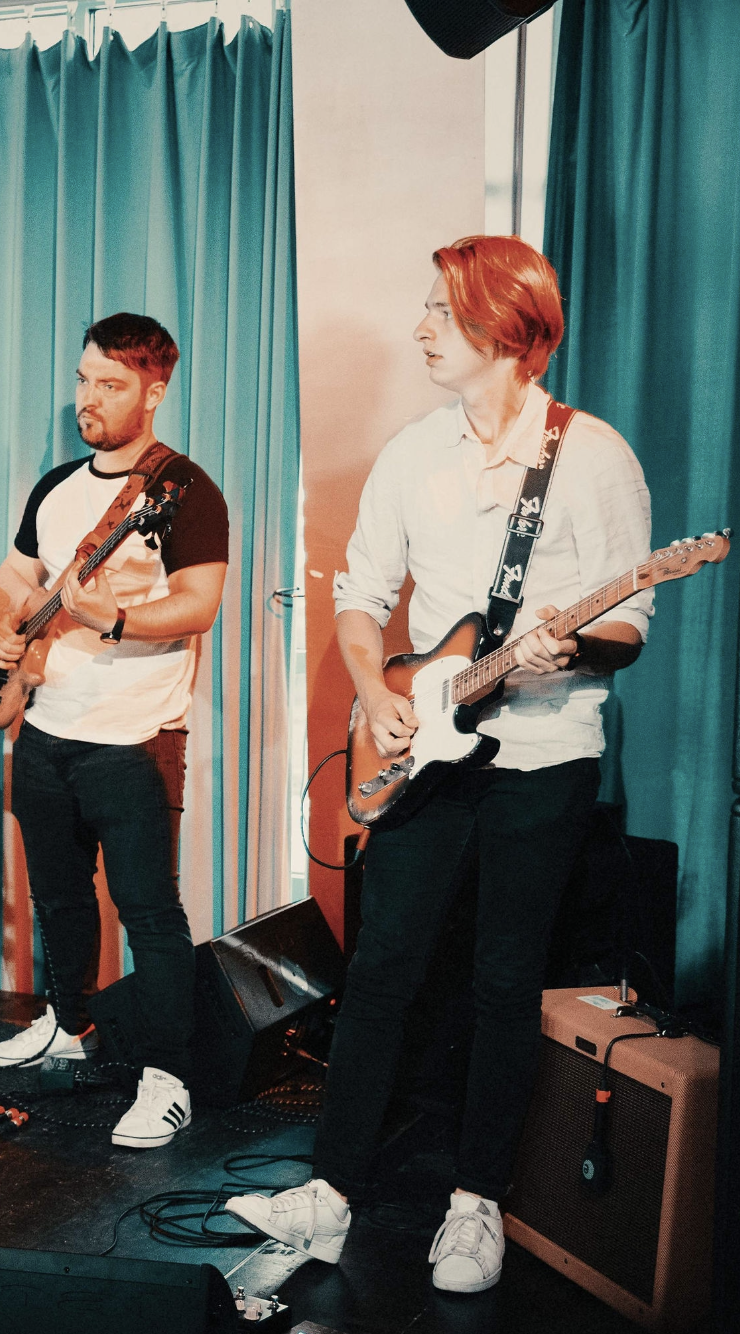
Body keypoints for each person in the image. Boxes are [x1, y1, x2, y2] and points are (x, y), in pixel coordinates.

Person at [226, 235, 653, 1290]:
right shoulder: (414, 452)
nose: (419, 327)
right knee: (379, 972)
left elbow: (629, 621)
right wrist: (377, 694)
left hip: (544, 756)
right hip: (426, 752)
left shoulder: (591, 455)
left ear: (502, 326)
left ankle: (477, 1204)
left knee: (504, 981)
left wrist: (572, 647)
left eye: (439, 311)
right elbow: (361, 595)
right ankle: (329, 1191)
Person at [0, 313, 228, 1150]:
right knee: (57, 898)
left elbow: (199, 605)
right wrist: (2, 629)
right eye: (84, 379)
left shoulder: (185, 490)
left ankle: (168, 1078)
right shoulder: (57, 485)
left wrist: (114, 618)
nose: (88, 398)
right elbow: (15, 575)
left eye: (111, 385)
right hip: (46, 730)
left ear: (154, 393)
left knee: (148, 913)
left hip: (135, 739)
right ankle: (69, 1024)